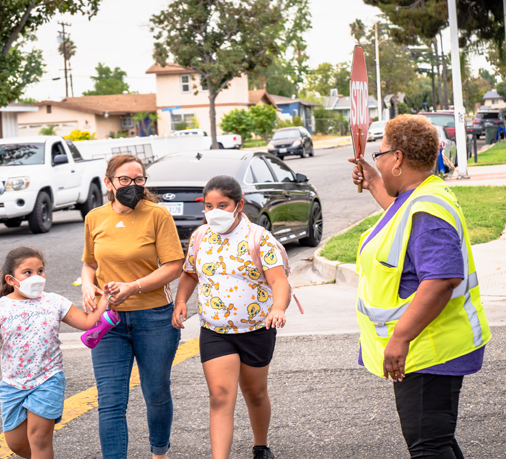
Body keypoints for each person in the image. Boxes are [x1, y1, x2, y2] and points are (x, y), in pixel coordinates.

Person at [349, 115, 491, 459]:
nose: (378, 161)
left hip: (431, 349)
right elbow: (402, 216)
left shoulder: (426, 210)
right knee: (436, 442)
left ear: (397, 159)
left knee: (429, 447)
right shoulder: (421, 196)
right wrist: (372, 182)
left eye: (380, 154)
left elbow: (441, 281)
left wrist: (400, 338)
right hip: (428, 346)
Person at [172, 175, 290, 459]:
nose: (214, 212)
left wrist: (278, 308)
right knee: (221, 396)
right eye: (209, 206)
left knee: (255, 393)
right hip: (215, 330)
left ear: (239, 205)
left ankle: (260, 446)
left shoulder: (259, 238)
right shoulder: (201, 236)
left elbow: (279, 282)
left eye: (222, 205)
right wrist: (180, 301)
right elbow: (190, 273)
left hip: (256, 329)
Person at [81, 154, 184, 459]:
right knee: (110, 400)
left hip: (154, 318)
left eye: (139, 179)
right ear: (109, 182)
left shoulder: (157, 215)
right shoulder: (94, 218)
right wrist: (88, 283)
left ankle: (159, 452)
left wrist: (133, 287)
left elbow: (174, 266)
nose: (132, 185)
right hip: (107, 319)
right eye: (124, 179)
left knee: (156, 393)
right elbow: (89, 262)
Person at [0, 246, 118, 459]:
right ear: (10, 280)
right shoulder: (2, 308)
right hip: (12, 384)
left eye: (40, 271)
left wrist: (105, 300)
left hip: (48, 379)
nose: (36, 277)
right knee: (16, 443)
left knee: (39, 439)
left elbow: (86, 322)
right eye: (27, 272)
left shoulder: (55, 302)